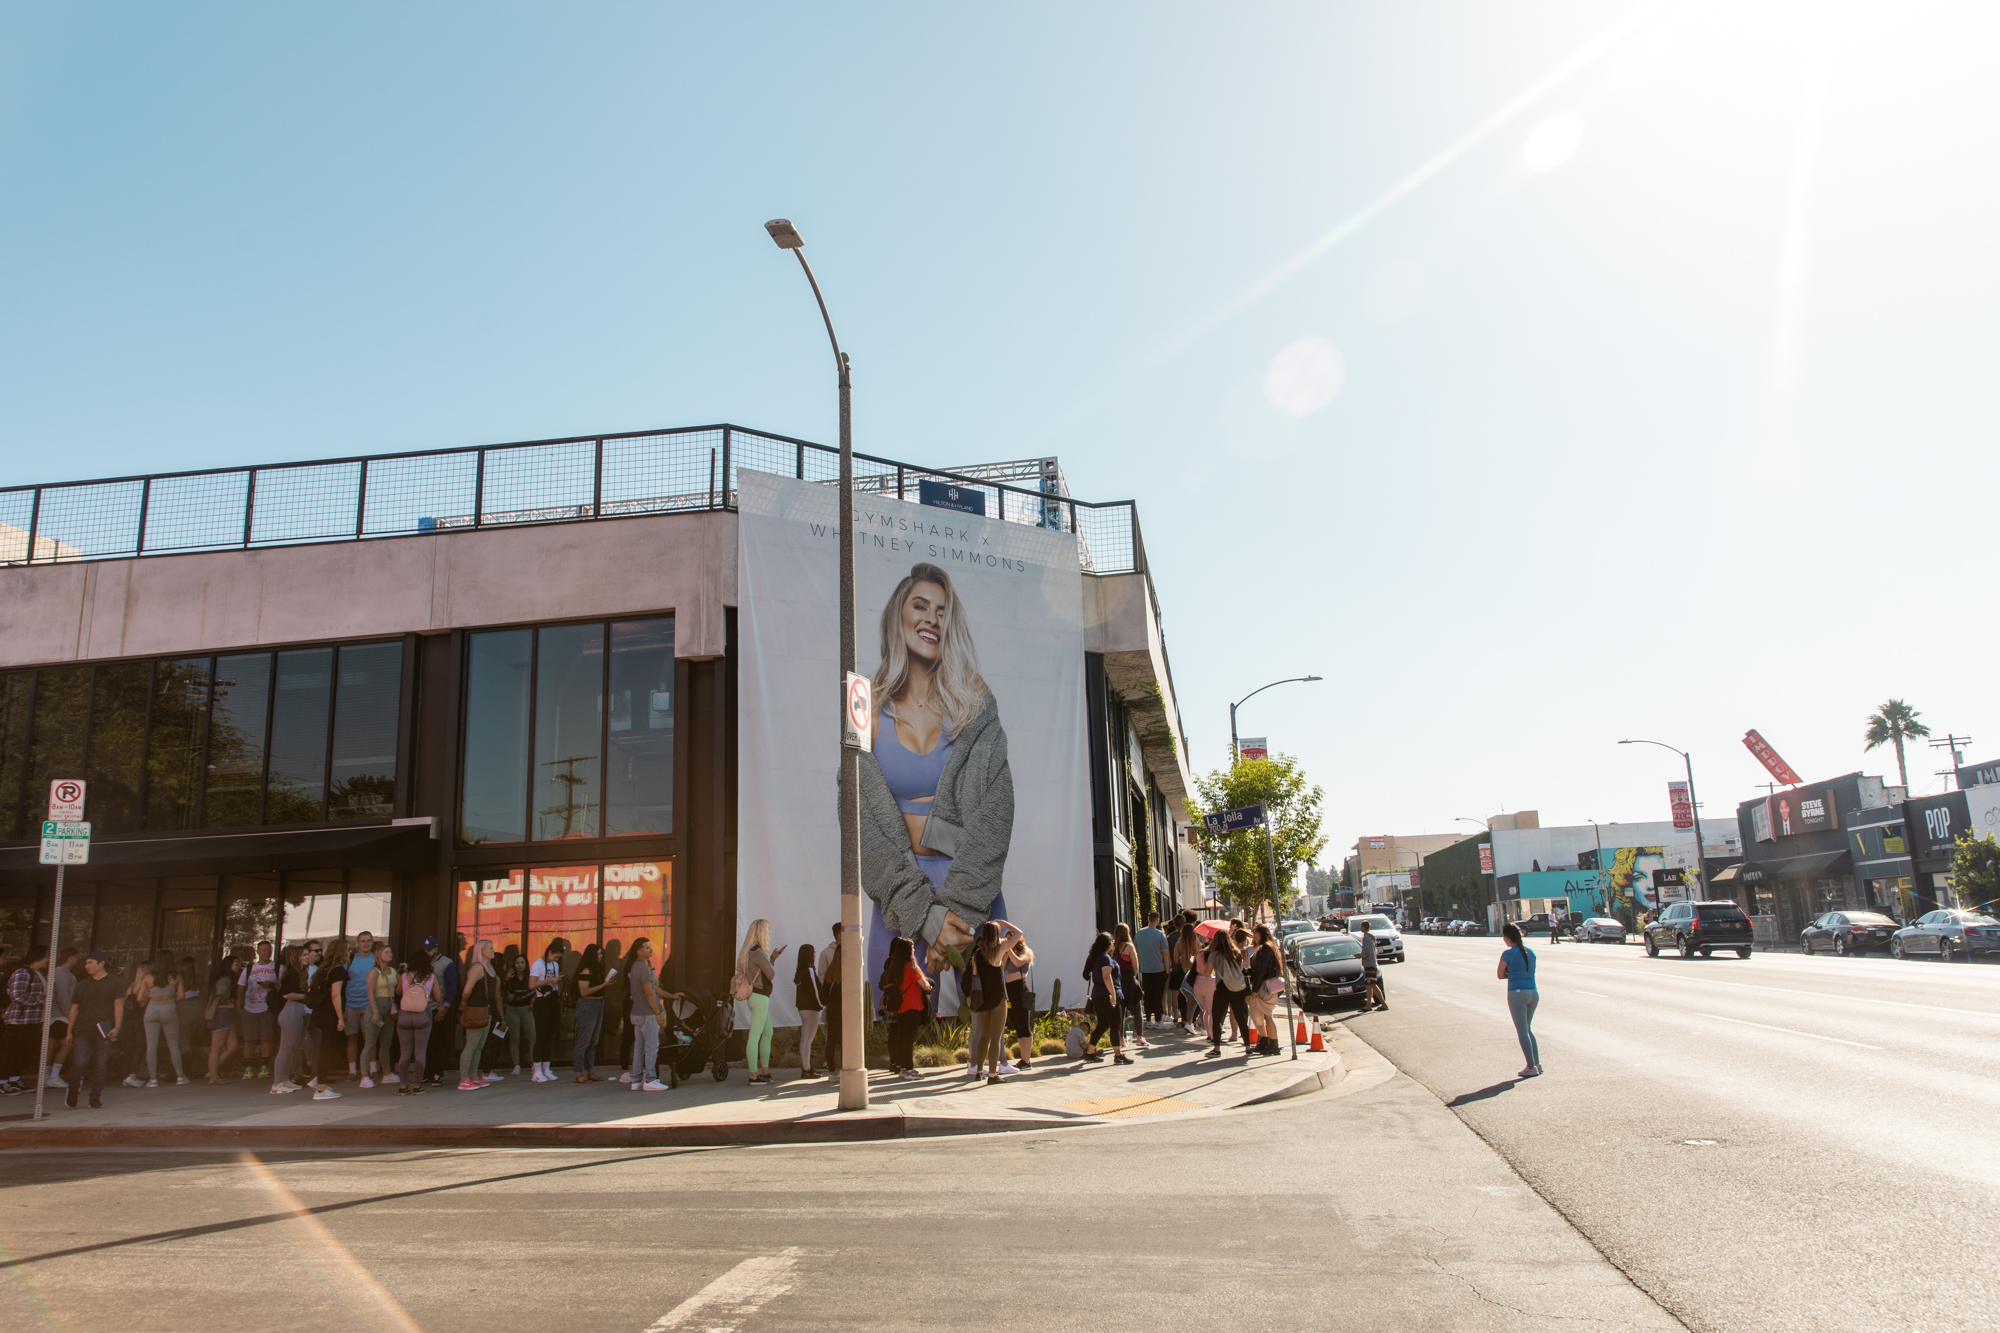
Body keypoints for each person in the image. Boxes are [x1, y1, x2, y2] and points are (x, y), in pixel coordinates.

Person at [855, 563, 1015, 996]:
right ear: (898, 614)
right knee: (895, 1022)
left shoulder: (977, 700)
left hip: (973, 887)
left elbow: (995, 819)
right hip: (899, 888)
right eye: (920, 605)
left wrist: (957, 908)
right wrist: (927, 918)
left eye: (942, 611)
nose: (931, 618)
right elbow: (859, 819)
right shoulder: (864, 702)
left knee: (988, 1023)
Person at [64, 952, 123, 1110]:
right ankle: (73, 1089)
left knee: (100, 1065)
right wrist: (69, 1031)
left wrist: (116, 1027)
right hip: (82, 1029)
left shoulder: (116, 982)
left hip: (103, 1030)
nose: (87, 966)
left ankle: (95, 1097)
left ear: (101, 963)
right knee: (79, 1062)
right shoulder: (82, 985)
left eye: (90, 962)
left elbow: (119, 1006)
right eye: (86, 963)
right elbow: (74, 1009)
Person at [969, 919, 1020, 1084]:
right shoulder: (999, 949)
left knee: (985, 1034)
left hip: (983, 999)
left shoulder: (977, 953)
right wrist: (1005, 923)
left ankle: (978, 1071)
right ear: (996, 934)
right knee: (996, 1037)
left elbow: (975, 975)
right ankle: (992, 1075)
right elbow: (1019, 934)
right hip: (998, 997)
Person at [736, 919, 781, 1087]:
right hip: (760, 997)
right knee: (755, 1035)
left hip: (753, 997)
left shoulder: (747, 952)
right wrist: (772, 960)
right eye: (767, 931)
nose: (768, 934)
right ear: (762, 933)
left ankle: (765, 1072)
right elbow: (770, 974)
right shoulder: (759, 952)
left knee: (767, 1033)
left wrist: (772, 958)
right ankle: (754, 1076)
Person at [879, 935, 930, 1079]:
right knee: (908, 1039)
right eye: (912, 947)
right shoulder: (911, 966)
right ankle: (908, 1069)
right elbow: (924, 985)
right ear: (908, 950)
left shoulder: (895, 966)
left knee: (901, 1038)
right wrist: (928, 984)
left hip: (900, 1007)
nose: (914, 950)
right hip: (912, 1006)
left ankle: (902, 1068)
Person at [1, 947, 49, 1095]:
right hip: (20, 1019)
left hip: (32, 1019)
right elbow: (17, 995)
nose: (48, 960)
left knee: (22, 1051)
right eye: (47, 956)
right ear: (38, 957)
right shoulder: (23, 972)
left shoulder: (37, 973)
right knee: (12, 1051)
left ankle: (14, 1079)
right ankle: (2, 1081)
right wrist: (40, 1001)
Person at [1497, 922, 1541, 1078]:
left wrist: (1510, 972)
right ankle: (1536, 1063)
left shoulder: (1508, 954)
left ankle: (1530, 1066)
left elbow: (1500, 974)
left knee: (1522, 1031)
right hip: (1533, 992)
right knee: (1528, 1029)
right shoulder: (1531, 952)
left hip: (1517, 993)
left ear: (1507, 937)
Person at [1083, 932, 1132, 1066]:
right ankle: (1118, 1055)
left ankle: (1090, 1052)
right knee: (1116, 1024)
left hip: (1098, 995)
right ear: (1109, 944)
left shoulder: (1097, 957)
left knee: (1103, 1024)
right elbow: (1107, 976)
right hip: (1107, 995)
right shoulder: (1105, 958)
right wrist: (1114, 995)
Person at [140, 951, 188, 1086]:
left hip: (152, 1010)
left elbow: (139, 997)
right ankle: (180, 1076)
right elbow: (181, 996)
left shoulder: (148, 977)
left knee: (151, 1046)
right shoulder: (176, 977)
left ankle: (153, 1079)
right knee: (173, 1045)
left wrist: (151, 996)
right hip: (169, 1009)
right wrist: (170, 997)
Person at [1203, 927, 1252, 1059]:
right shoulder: (1236, 953)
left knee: (1217, 1018)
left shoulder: (1215, 955)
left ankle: (1217, 1048)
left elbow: (1207, 973)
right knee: (1241, 1019)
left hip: (1223, 988)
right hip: (1238, 988)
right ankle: (1248, 1047)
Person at [394, 952, 438, 1095]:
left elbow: (398, 992)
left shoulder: (404, 976)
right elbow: (437, 997)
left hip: (404, 1015)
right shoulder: (431, 977)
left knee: (404, 1052)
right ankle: (416, 1086)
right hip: (423, 1015)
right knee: (420, 1052)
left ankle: (402, 1086)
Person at [625, 936, 666, 1091]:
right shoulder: (643, 968)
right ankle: (650, 1079)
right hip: (647, 1013)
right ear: (639, 951)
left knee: (639, 1048)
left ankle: (636, 1080)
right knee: (651, 1047)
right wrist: (658, 1012)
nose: (651, 949)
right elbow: (649, 993)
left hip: (637, 1012)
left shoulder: (635, 966)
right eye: (647, 947)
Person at [309, 940, 350, 1091]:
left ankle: (319, 1080)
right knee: (327, 1049)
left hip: (319, 1013)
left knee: (325, 1048)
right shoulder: (338, 970)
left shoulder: (322, 968)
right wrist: (340, 1017)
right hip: (329, 1014)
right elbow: (335, 995)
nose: (349, 952)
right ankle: (321, 1087)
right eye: (347, 949)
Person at [238, 940, 280, 1081]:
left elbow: (283, 986)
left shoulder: (277, 967)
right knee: (249, 1039)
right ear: (258, 952)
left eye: (269, 950)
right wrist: (239, 1006)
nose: (266, 953)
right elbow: (241, 987)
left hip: (267, 1007)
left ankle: (264, 1066)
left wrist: (272, 985)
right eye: (263, 950)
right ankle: (248, 1067)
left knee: (266, 1038)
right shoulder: (249, 969)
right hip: (250, 1006)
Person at [425, 936, 461, 1086]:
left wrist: (446, 1005)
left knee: (438, 1042)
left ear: (436, 948)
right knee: (425, 1042)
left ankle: (437, 1073)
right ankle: (426, 1073)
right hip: (422, 1008)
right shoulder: (422, 961)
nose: (427, 952)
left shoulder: (447, 963)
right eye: (424, 949)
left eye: (429, 949)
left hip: (438, 1007)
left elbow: (452, 985)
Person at [571, 942, 609, 1083]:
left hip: (599, 1004)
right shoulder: (585, 971)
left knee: (593, 1042)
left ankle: (590, 1070)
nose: (600, 957)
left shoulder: (596, 970)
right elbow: (584, 992)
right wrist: (603, 985)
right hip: (587, 1005)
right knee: (583, 1041)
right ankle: (579, 1073)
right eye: (598, 954)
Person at [360, 944, 397, 1088]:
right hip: (376, 1008)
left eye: (391, 951)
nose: (390, 954)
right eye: (386, 952)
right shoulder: (374, 972)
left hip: (390, 1009)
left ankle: (387, 1073)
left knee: (386, 1043)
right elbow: (370, 993)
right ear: (379, 955)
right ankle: (364, 1076)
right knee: (370, 1043)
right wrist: (375, 1012)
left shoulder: (393, 971)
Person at [528, 938, 564, 1082]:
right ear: (549, 952)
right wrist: (550, 980)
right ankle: (536, 1070)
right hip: (541, 1000)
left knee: (551, 1035)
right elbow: (531, 985)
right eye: (555, 956)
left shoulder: (554, 965)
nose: (556, 959)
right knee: (541, 1035)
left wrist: (557, 980)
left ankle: (546, 1068)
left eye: (558, 958)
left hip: (552, 999)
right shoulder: (537, 965)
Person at [343, 930, 378, 1077]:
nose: (366, 944)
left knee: (369, 1038)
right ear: (357, 943)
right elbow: (342, 983)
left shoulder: (376, 959)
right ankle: (352, 1071)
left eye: (369, 941)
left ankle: (373, 1069)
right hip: (351, 1004)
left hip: (370, 1004)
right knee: (351, 1038)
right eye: (363, 941)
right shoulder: (349, 960)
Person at [1245, 925, 1283, 1055]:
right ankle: (1265, 1041)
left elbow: (1262, 969)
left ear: (1263, 934)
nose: (1254, 937)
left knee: (1266, 1015)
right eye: (1253, 933)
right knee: (1258, 1015)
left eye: (1256, 934)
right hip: (1264, 985)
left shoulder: (1265, 948)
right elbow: (1259, 969)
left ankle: (1272, 1043)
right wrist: (1248, 971)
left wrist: (1254, 989)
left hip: (1264, 987)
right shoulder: (1266, 948)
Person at [1002, 924, 1035, 1070]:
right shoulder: (1009, 953)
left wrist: (1007, 948)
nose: (1008, 941)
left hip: (1021, 988)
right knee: (1017, 1025)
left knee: (1024, 1025)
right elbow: (1001, 968)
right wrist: (1004, 952)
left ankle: (1027, 1061)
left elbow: (1018, 962)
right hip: (1010, 989)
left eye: (1011, 939)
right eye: (1007, 939)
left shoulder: (1025, 951)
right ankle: (1023, 1059)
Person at [45, 947, 77, 1090]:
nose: (78, 961)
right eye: (77, 957)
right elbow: (63, 996)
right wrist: (70, 1015)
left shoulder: (57, 972)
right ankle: (54, 1076)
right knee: (67, 1043)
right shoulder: (62, 974)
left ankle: (46, 1076)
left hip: (54, 1015)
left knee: (52, 1046)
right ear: (71, 958)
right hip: (60, 1016)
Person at [501, 953, 537, 1079]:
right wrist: (505, 980)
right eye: (517, 963)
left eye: (522, 963)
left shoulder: (530, 977)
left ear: (526, 964)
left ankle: (534, 1064)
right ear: (514, 965)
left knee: (533, 1036)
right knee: (514, 1038)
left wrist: (533, 1000)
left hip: (527, 1009)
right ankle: (516, 1065)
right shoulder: (510, 977)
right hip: (512, 1010)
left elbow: (535, 990)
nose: (520, 965)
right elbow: (501, 992)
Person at [1112, 924, 1147, 1049]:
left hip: (1117, 980)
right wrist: (1133, 977)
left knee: (1121, 1011)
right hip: (1129, 978)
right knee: (1137, 1008)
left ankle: (1121, 1039)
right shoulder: (1129, 946)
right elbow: (1135, 965)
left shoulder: (1114, 948)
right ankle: (1140, 1036)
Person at [1135, 910, 1170, 1029]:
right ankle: (1158, 1020)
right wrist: (1167, 968)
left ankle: (1148, 1019)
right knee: (1158, 995)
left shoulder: (1139, 933)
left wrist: (1138, 966)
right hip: (1158, 968)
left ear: (1148, 919)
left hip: (1145, 969)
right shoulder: (1160, 934)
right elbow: (1165, 953)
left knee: (1148, 994)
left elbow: (1136, 952)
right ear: (1158, 920)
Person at [794, 943, 823, 1078]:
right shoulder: (810, 970)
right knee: (808, 1040)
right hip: (811, 1008)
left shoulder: (799, 971)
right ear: (810, 955)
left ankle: (806, 1068)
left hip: (802, 1008)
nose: (815, 955)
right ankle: (806, 1069)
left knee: (805, 1039)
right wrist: (821, 1004)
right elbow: (815, 990)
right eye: (814, 952)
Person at [819, 923, 845, 1076]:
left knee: (831, 1040)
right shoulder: (845, 973)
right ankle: (844, 1069)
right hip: (843, 1008)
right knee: (844, 1041)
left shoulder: (830, 973)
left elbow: (824, 986)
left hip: (832, 1008)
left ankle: (832, 1072)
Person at [1357, 919, 1387, 1013]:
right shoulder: (1372, 937)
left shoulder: (1365, 937)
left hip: (1369, 963)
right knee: (1368, 985)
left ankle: (1383, 1004)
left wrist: (1359, 955)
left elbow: (1365, 953)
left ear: (1363, 927)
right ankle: (1368, 1005)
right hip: (1372, 962)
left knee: (1373, 984)